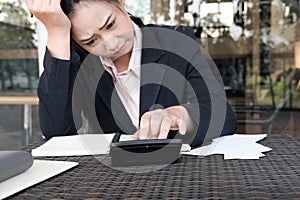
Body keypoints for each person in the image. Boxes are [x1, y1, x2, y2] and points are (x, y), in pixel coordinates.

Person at [25, 0, 237, 148]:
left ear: (120, 2)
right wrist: (57, 33)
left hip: (181, 176)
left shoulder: (175, 41)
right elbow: (57, 133)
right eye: (91, 41)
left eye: (110, 24)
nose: (111, 43)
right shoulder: (81, 64)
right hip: (114, 181)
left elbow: (222, 114)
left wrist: (180, 115)